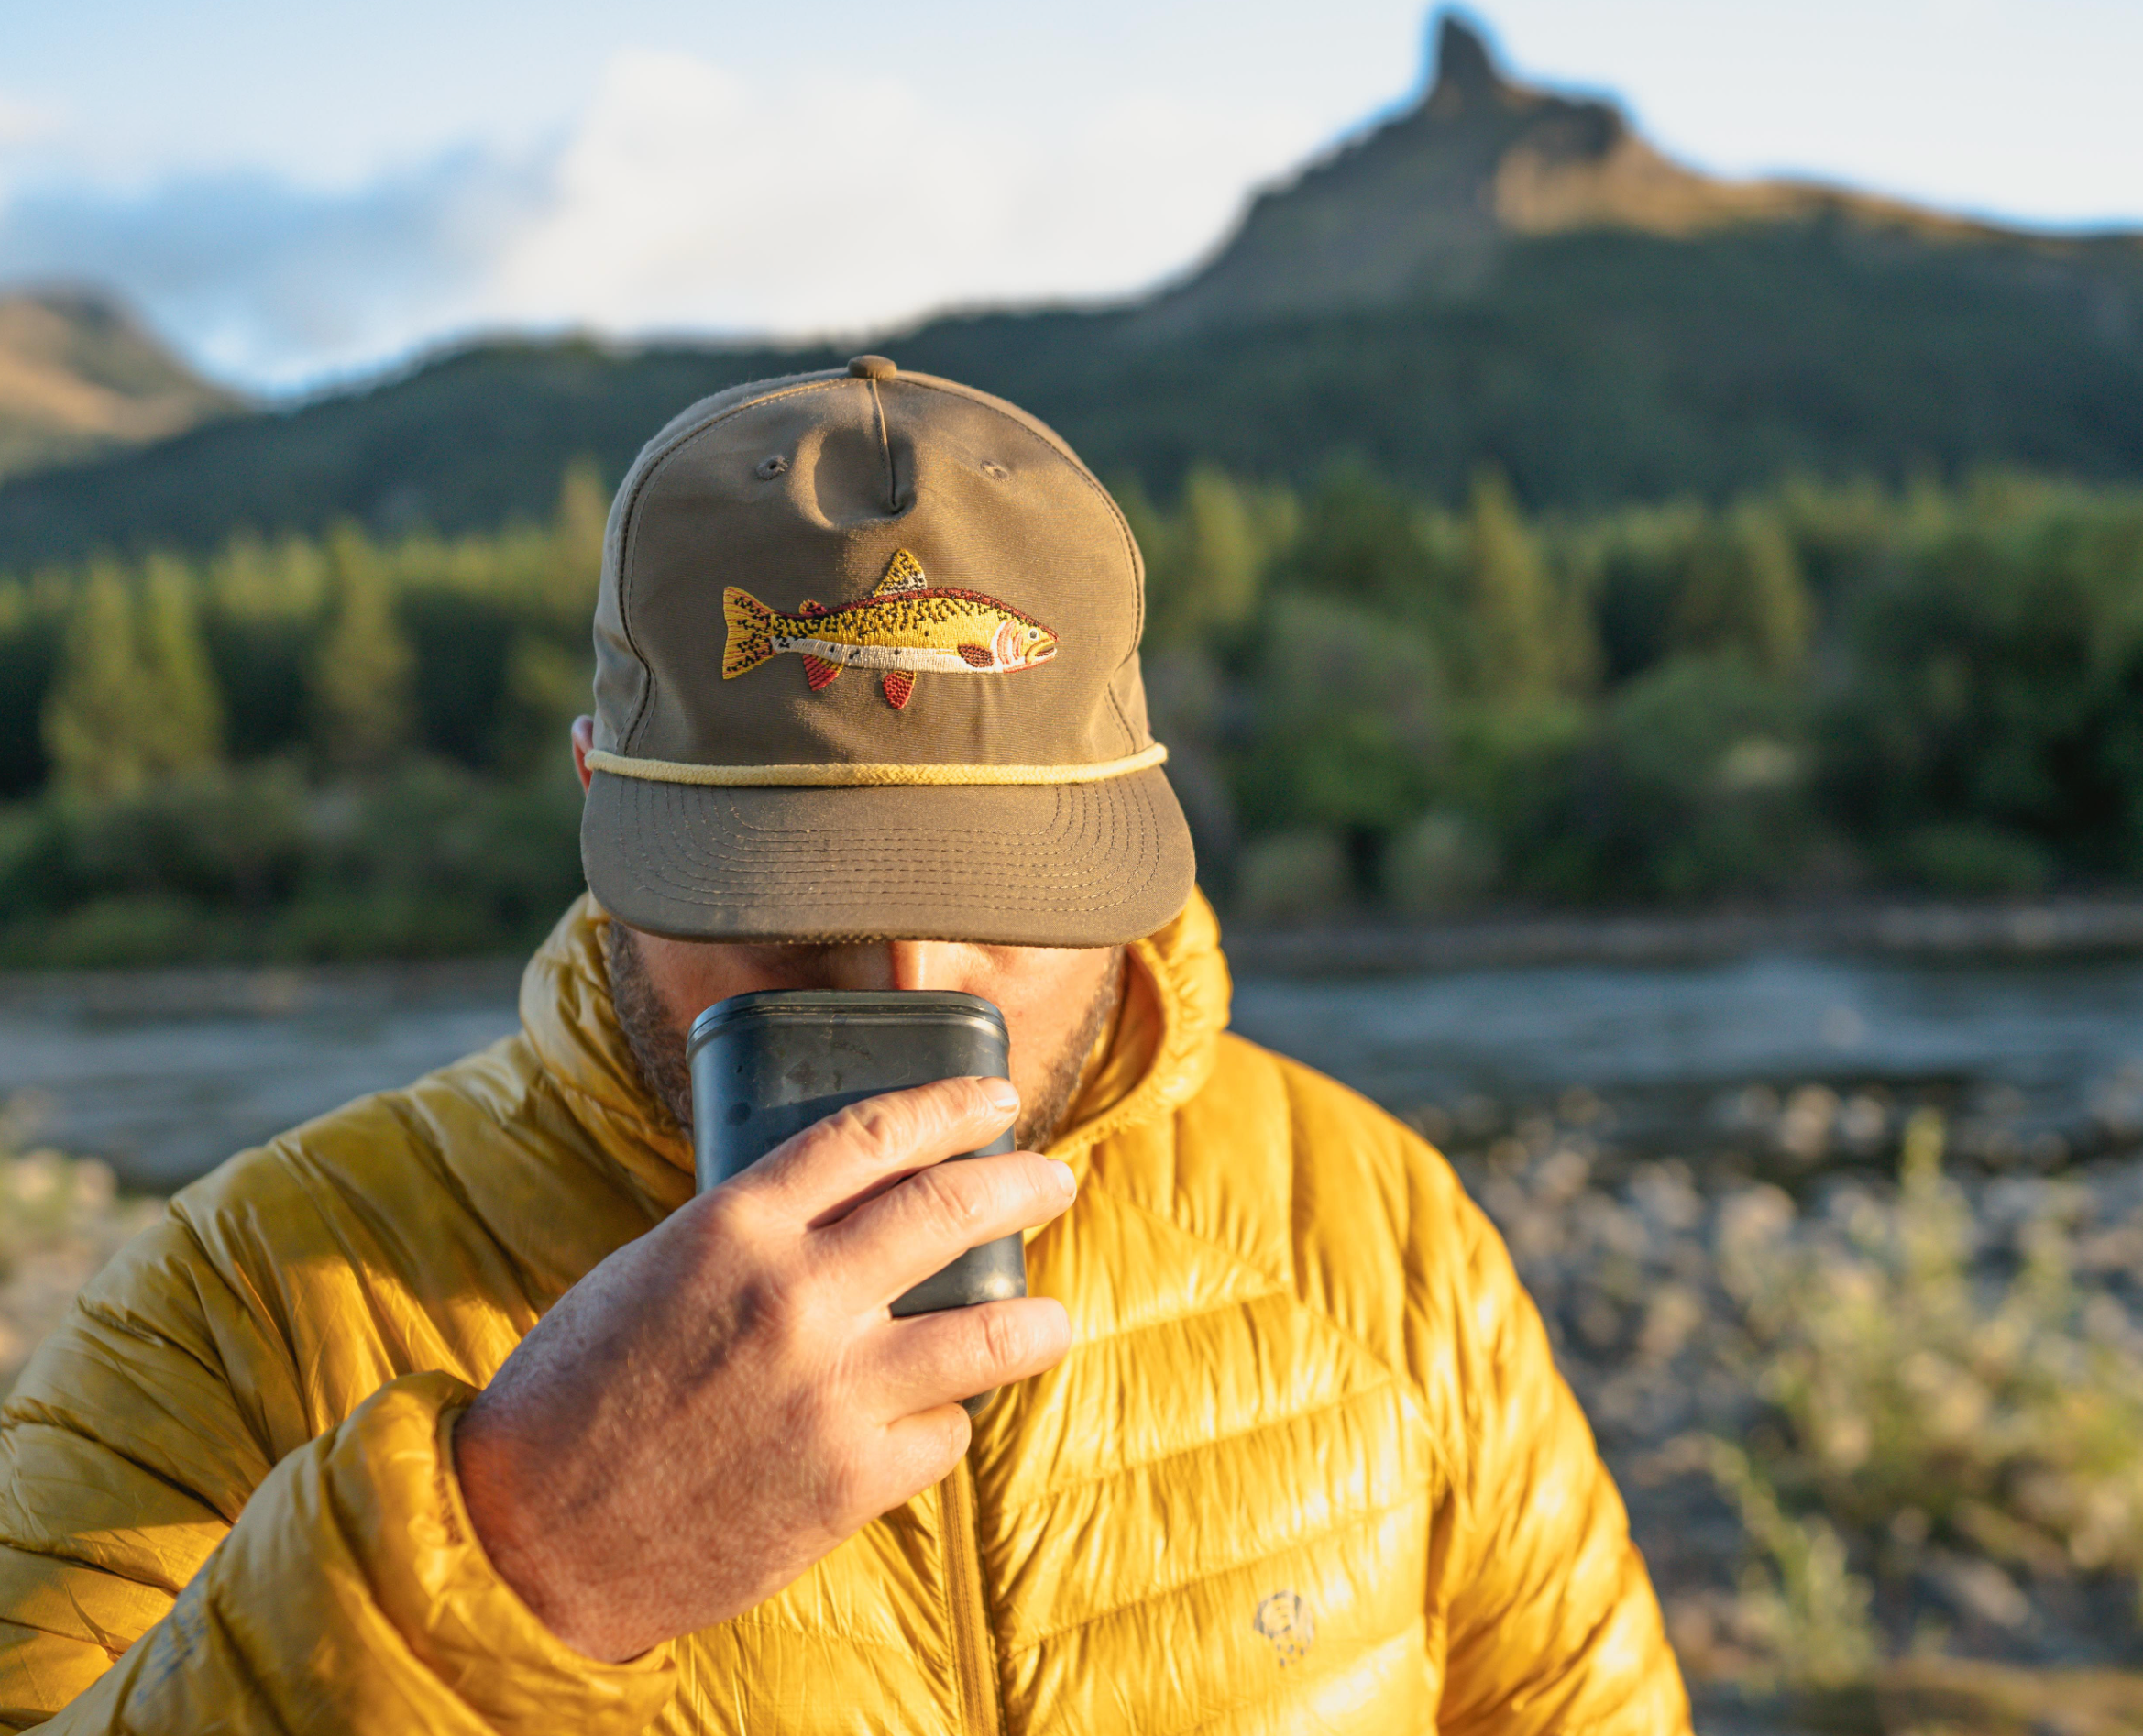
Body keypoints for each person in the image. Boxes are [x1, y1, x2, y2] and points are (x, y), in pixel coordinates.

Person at [0, 357, 1690, 1733]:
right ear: (603, 798)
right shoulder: (246, 1299)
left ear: (1137, 827)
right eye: (783, 906)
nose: (909, 980)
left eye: (1008, 905)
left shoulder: (1377, 1236)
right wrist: (498, 1570)